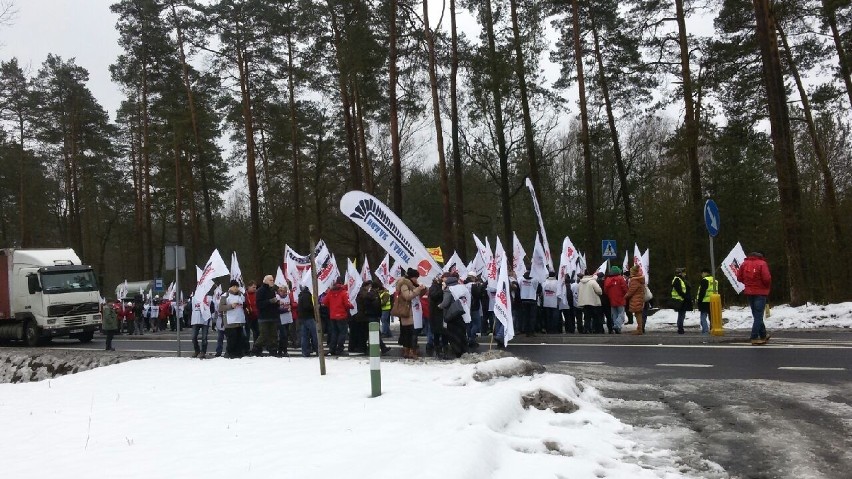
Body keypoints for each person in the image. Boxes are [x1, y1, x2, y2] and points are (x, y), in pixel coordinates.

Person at [737, 252, 772, 345]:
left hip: (749, 292)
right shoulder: (762, 263)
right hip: (760, 292)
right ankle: (754, 337)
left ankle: (763, 335)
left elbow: (739, 277)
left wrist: (747, 283)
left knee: (756, 314)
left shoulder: (744, 264)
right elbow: (767, 278)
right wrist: (766, 287)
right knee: (758, 315)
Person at [394, 268, 427, 359]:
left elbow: (417, 294)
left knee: (411, 332)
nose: (416, 280)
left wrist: (423, 289)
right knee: (410, 333)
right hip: (408, 312)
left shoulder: (413, 284)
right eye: (415, 278)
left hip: (414, 312)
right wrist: (417, 290)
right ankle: (410, 351)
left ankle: (410, 350)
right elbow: (408, 296)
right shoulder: (404, 284)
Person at [321, 277, 354, 356]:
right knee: (342, 333)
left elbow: (324, 302)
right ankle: (340, 349)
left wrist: (331, 307)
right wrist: (351, 306)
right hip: (342, 315)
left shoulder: (330, 292)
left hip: (333, 316)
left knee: (334, 333)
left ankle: (332, 348)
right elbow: (346, 304)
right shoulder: (343, 292)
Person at [440, 274, 468, 358]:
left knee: (453, 334)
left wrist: (439, 306)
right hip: (462, 313)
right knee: (461, 333)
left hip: (452, 315)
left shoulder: (449, 290)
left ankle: (457, 351)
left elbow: (445, 303)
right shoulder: (462, 288)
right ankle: (464, 349)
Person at [253, 275, 281, 356]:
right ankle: (256, 349)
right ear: (265, 281)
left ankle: (273, 350)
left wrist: (277, 304)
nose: (272, 281)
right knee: (264, 335)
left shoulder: (272, 291)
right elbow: (259, 304)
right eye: (270, 280)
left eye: (273, 280)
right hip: (264, 317)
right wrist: (270, 301)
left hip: (273, 316)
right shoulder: (260, 291)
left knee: (274, 335)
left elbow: (273, 302)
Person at [218, 280, 246, 358]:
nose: (235, 288)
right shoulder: (225, 295)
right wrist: (230, 306)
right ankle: (229, 353)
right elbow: (220, 307)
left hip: (239, 320)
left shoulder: (241, 295)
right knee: (232, 339)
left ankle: (238, 353)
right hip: (230, 321)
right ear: (230, 287)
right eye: (234, 286)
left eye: (237, 286)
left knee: (240, 338)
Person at [604, 266, 628, 334]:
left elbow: (605, 290)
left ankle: (617, 327)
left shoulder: (607, 279)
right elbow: (625, 288)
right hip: (620, 299)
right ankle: (617, 326)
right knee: (621, 315)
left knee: (614, 315)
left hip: (611, 299)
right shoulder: (620, 278)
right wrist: (626, 295)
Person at [296, 286, 319, 357]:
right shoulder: (307, 295)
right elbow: (307, 306)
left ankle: (305, 351)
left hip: (302, 318)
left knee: (304, 335)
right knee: (315, 334)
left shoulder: (301, 295)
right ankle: (318, 350)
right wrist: (315, 307)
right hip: (308, 317)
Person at [671, 267, 693, 335]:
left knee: (682, 315)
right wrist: (685, 296)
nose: (685, 274)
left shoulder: (681, 279)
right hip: (680, 300)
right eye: (684, 272)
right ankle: (680, 329)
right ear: (680, 273)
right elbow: (679, 290)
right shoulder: (677, 279)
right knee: (681, 315)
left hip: (682, 300)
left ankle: (680, 328)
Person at [625, 266, 646, 335]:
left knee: (638, 314)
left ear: (634, 272)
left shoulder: (634, 280)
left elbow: (631, 290)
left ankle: (639, 329)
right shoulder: (640, 279)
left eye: (631, 271)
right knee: (639, 314)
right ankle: (639, 328)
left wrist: (625, 296)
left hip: (635, 299)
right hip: (640, 298)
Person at [518, 272, 541, 336]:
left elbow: (518, 288)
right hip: (532, 299)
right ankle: (532, 331)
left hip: (523, 299)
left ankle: (526, 331)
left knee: (525, 316)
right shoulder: (535, 280)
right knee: (532, 317)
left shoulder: (521, 279)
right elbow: (539, 289)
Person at [696, 268, 717, 334]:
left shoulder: (705, 280)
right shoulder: (715, 281)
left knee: (703, 317)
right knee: (712, 317)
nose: (701, 275)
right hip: (713, 301)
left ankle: (705, 330)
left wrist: (699, 300)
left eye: (702, 273)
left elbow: (702, 292)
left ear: (705, 273)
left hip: (704, 301)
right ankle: (712, 329)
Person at [277, 284, 294, 357]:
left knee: (286, 335)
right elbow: (277, 309)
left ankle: (284, 350)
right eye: (282, 291)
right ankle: (280, 350)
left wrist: (290, 307)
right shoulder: (277, 298)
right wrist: (286, 309)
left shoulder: (288, 297)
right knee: (283, 335)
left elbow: (291, 305)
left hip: (288, 318)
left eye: (285, 291)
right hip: (281, 319)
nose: (284, 293)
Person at [243, 281, 259, 354]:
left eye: (255, 287)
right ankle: (246, 349)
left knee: (257, 333)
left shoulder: (257, 294)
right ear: (248, 287)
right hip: (247, 316)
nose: (255, 289)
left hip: (256, 316)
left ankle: (256, 349)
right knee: (247, 334)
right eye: (253, 287)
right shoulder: (244, 295)